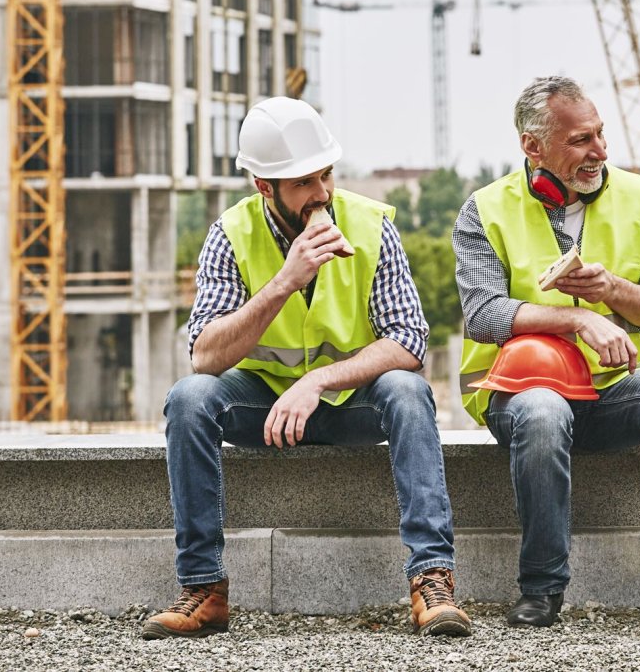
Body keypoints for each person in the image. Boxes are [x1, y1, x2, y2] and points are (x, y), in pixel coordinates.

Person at [142, 97, 470, 640]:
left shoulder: (372, 226)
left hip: (351, 401)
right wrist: (284, 281)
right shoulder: (231, 234)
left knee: (409, 390)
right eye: (302, 183)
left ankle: (431, 581)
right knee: (189, 398)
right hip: (266, 408)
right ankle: (203, 588)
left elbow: (409, 341)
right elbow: (205, 355)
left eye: (325, 175)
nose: (320, 194)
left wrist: (317, 381)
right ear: (263, 186)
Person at [451, 76, 640, 639]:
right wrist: (577, 318)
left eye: (600, 134)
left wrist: (611, 291)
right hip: (518, 396)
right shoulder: (485, 210)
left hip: (611, 391)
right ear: (533, 147)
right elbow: (484, 314)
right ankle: (541, 588)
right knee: (542, 413)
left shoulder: (639, 197)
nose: (600, 152)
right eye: (581, 140)